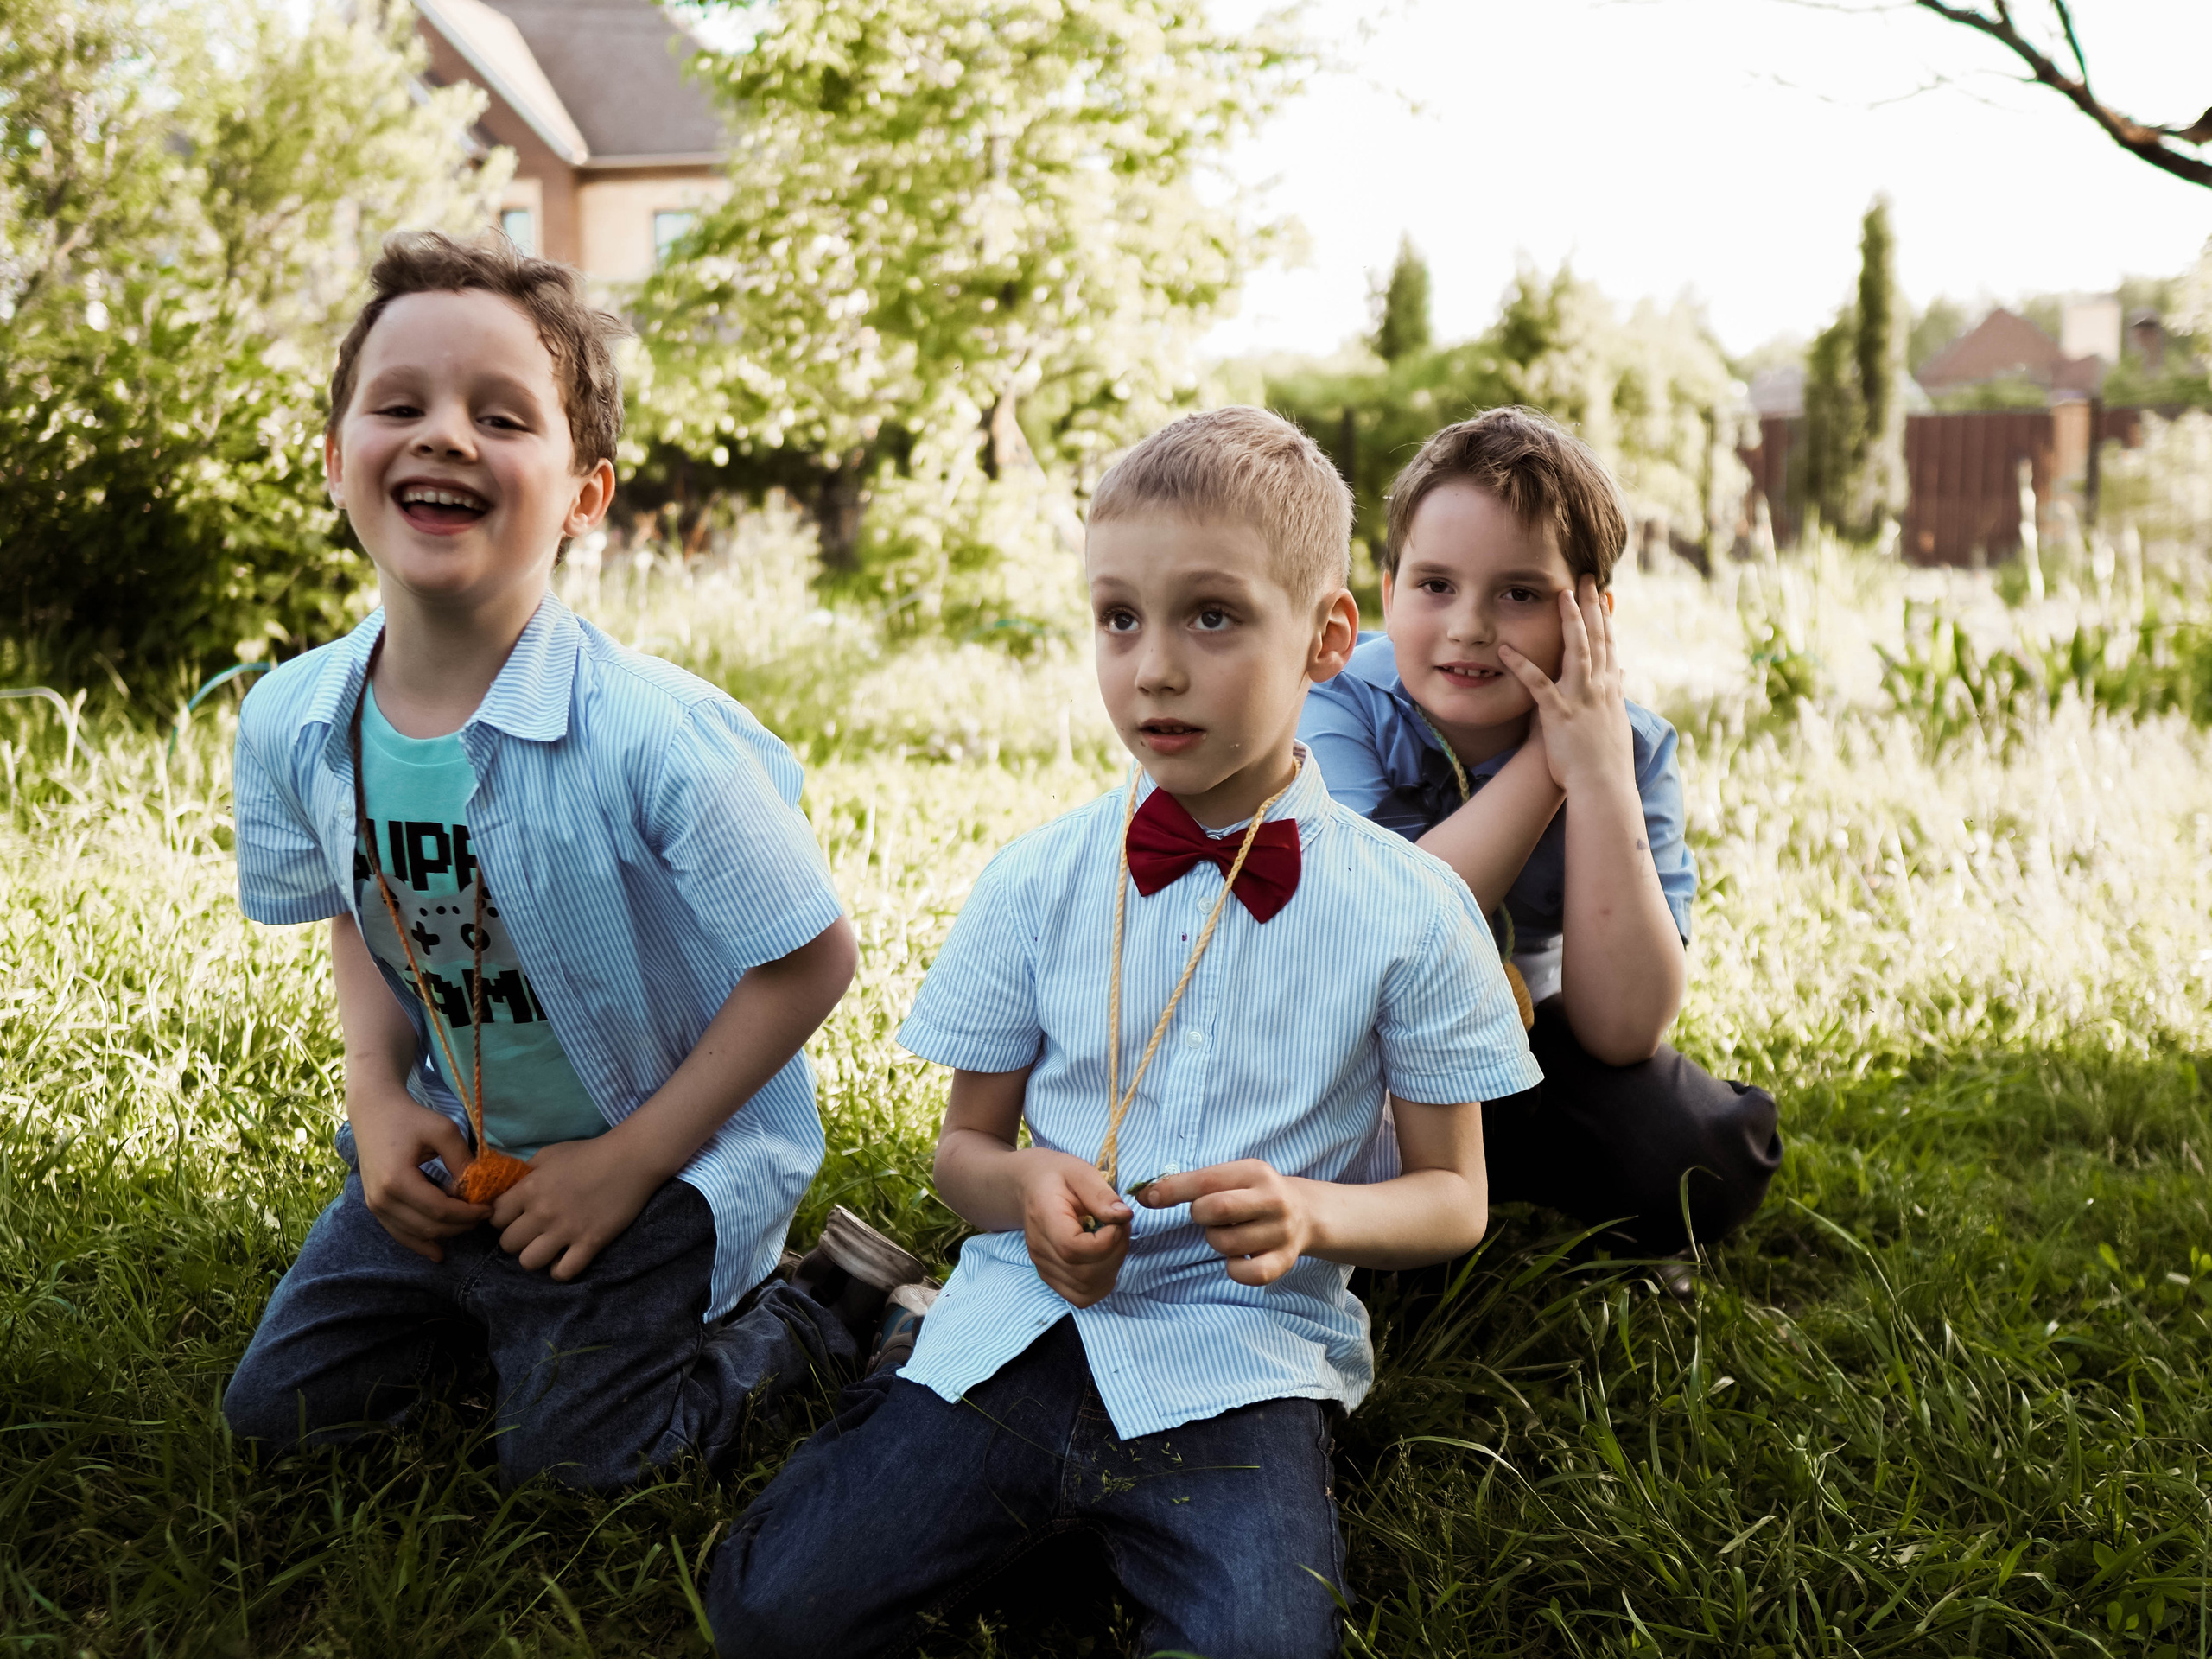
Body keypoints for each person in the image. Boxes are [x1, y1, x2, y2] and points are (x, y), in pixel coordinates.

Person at [704, 407, 1542, 1659]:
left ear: (1323, 639)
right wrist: (1028, 1184)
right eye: (1119, 618)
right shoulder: (1037, 881)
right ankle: (907, 1348)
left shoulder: (1411, 911)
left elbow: (1451, 1197)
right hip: (1028, 1326)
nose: (1154, 667)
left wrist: (1317, 1214)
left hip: (1244, 1362)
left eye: (1213, 616)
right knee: (770, 1610)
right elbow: (964, 1158)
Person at [220, 232, 929, 1491]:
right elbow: (360, 909)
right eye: (401, 406)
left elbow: (813, 961)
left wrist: (631, 1163)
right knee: (280, 1420)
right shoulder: (293, 719)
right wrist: (380, 1101)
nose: (445, 436)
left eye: (502, 416)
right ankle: (501, 1318)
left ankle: (824, 1306)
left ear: (584, 497)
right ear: (338, 463)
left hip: (658, 1162)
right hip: (455, 1149)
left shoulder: (654, 736)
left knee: (580, 1470)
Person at [1298, 407, 1781, 1265]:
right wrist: (1545, 767)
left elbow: (1622, 1030)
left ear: (1591, 614)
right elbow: (1381, 923)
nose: (1469, 626)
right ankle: (1386, 1220)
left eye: (1519, 593)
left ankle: (1480, 1186)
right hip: (1342, 1056)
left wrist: (1596, 775)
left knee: (1697, 1157)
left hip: (1522, 1055)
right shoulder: (1339, 703)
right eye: (1434, 585)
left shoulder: (1629, 749)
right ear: (1386, 589)